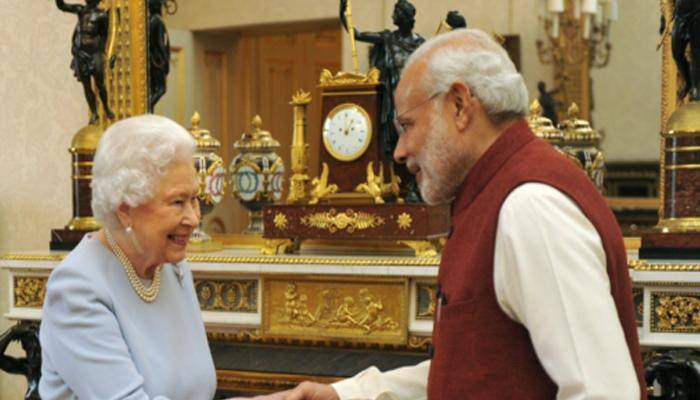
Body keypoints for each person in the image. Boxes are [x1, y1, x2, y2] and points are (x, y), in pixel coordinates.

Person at [255, 28, 647, 400]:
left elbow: (604, 390)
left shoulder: (529, 205)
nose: (399, 150)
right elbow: (477, 367)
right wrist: (348, 393)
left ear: (459, 106)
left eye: (408, 125)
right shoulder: (494, 194)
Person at [39, 115, 217, 399]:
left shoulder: (170, 266)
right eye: (177, 202)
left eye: (194, 199)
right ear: (126, 210)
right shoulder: (76, 289)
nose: (194, 218)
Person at [340, 0, 425, 202]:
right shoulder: (387, 38)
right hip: (394, 101)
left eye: (396, 13)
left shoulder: (421, 44)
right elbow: (356, 33)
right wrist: (342, 12)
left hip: (416, 103)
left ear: (406, 17)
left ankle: (414, 185)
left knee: (417, 143)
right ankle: (399, 184)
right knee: (398, 142)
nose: (393, 16)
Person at [56, 0, 117, 124]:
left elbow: (105, 36)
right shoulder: (81, 10)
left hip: (95, 53)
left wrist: (104, 53)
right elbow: (62, 6)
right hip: (81, 54)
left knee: (100, 84)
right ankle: (94, 112)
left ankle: (106, 107)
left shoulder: (102, 15)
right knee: (87, 86)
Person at [0, 321, 41, 399]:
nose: (32, 356)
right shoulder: (29, 368)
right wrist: (12, 332)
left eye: (37, 351)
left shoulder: (58, 370)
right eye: (28, 350)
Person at [148, 0, 171, 112]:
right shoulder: (158, 20)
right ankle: (147, 108)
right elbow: (160, 43)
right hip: (157, 60)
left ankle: (148, 108)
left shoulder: (150, 20)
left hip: (152, 59)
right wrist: (166, 61)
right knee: (161, 89)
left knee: (154, 89)